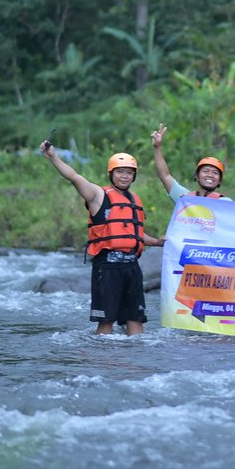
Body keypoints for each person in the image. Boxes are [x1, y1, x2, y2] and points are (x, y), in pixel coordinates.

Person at [40, 142, 164, 335]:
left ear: (134, 176)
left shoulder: (134, 200)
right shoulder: (98, 195)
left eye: (129, 172)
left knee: (136, 321)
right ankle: (102, 362)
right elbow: (73, 177)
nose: (125, 176)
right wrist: (53, 157)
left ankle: (136, 361)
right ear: (111, 173)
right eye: (120, 171)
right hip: (107, 268)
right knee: (106, 323)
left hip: (132, 268)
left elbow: (136, 234)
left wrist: (156, 242)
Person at [150, 124, 229, 201]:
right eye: (206, 171)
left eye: (215, 173)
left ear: (219, 181)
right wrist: (157, 147)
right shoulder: (185, 198)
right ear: (197, 176)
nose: (210, 175)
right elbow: (165, 176)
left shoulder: (225, 202)